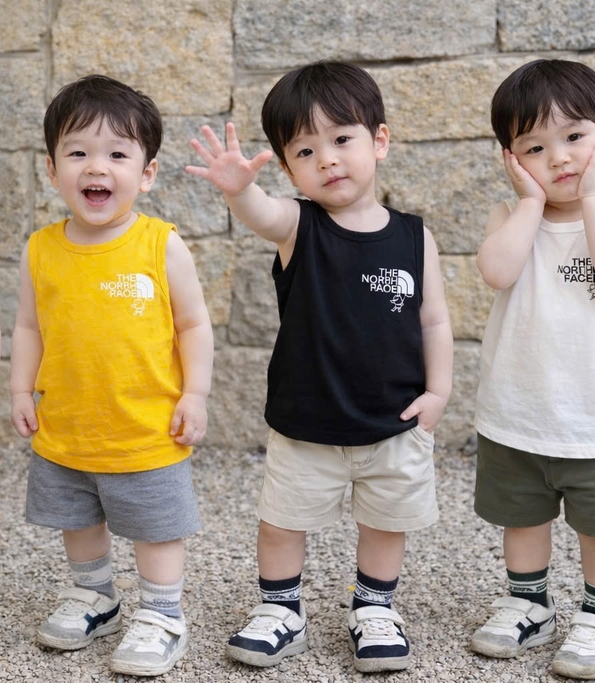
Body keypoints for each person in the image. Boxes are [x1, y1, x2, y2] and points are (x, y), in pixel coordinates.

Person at [186, 60, 453, 673]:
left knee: (385, 522)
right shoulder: (298, 225)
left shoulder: (415, 238)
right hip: (306, 422)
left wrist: (439, 391)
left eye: (342, 139)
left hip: (394, 420)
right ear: (289, 170)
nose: (327, 160)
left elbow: (433, 322)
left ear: (378, 141)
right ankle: (281, 609)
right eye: (306, 151)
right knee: (283, 522)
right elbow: (262, 212)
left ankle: (375, 608)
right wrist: (238, 190)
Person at [10, 75, 213, 678]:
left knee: (155, 526)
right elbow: (28, 326)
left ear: (146, 173)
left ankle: (162, 612)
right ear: (53, 169)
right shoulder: (41, 249)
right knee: (78, 519)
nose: (96, 167)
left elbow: (193, 325)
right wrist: (20, 388)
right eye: (78, 152)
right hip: (68, 424)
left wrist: (196, 393)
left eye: (117, 155)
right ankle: (95, 594)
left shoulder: (160, 245)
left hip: (146, 428)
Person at [468, 59, 595, 681]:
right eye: (534, 148)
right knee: (522, 518)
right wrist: (529, 203)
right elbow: (497, 271)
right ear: (511, 158)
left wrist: (593, 198)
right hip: (516, 413)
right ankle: (529, 604)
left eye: (575, 136)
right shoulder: (509, 217)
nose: (559, 158)